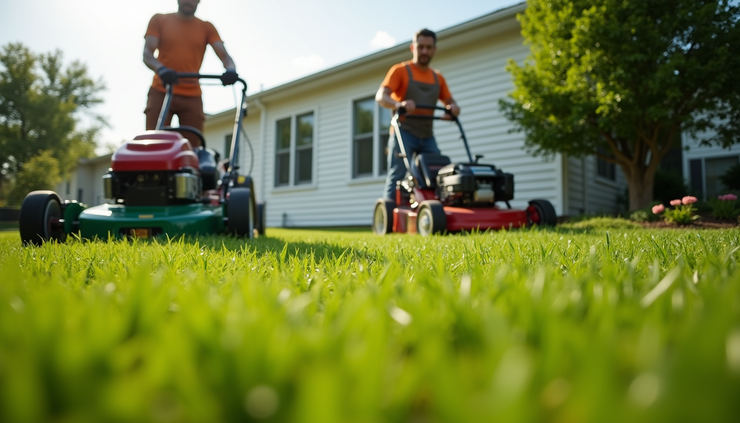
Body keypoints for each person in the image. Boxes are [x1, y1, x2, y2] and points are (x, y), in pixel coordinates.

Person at [376, 28, 460, 200]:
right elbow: (381, 97)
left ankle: (434, 212)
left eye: (428, 47)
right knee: (398, 174)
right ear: (412, 48)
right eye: (420, 47)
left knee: (437, 172)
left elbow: (450, 103)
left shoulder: (438, 78)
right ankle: (390, 219)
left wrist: (453, 109)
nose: (424, 51)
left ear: (434, 49)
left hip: (427, 135)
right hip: (404, 131)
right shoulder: (400, 71)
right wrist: (399, 104)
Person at [142, 0, 238, 148]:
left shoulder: (206, 27)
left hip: (192, 95)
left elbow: (225, 57)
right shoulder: (160, 20)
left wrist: (231, 70)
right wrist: (161, 69)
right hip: (162, 90)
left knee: (194, 147)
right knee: (154, 142)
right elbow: (147, 54)